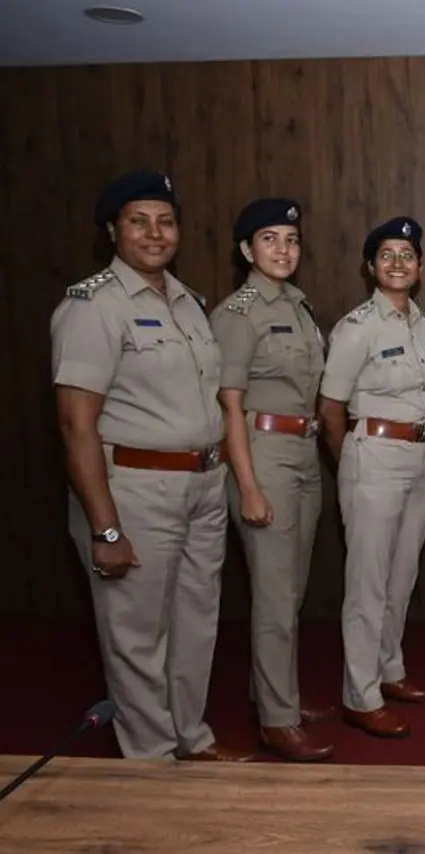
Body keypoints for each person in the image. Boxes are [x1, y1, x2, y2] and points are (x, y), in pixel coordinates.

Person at [51, 170, 254, 762]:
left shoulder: (189, 303)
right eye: (138, 220)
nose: (154, 232)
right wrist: (105, 527)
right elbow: (75, 427)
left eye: (165, 221)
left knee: (196, 625)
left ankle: (190, 736)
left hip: (202, 484)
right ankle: (152, 763)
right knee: (136, 637)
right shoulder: (92, 307)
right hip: (135, 490)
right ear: (112, 229)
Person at [210, 197, 333, 762]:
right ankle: (277, 721)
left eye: (291, 239)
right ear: (245, 250)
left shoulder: (302, 309)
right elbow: (228, 406)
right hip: (262, 454)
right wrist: (249, 485)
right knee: (275, 593)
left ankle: (273, 693)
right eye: (269, 239)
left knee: (291, 590)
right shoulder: (238, 313)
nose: (283, 249)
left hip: (303, 453)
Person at [317, 215, 425, 739]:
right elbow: (329, 409)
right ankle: (359, 694)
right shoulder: (356, 327)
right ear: (371, 267)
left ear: (419, 268)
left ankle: (389, 670)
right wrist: (355, 461)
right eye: (386, 254)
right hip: (375, 456)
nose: (397, 263)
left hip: (424, 456)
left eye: (406, 255)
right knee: (367, 583)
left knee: (401, 575)